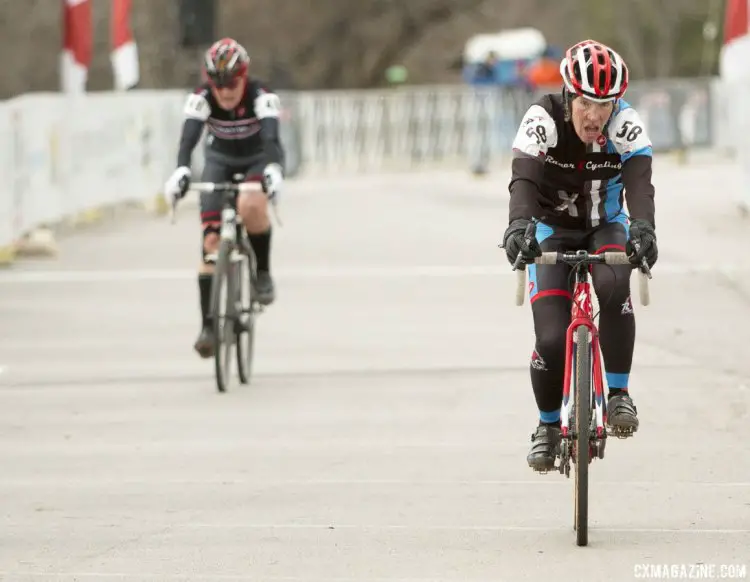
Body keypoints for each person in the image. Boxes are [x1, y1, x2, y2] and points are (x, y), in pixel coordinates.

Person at [501, 40, 658, 472]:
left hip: (606, 225)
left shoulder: (625, 124)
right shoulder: (542, 119)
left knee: (612, 284)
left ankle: (618, 394)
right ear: (570, 95)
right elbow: (524, 181)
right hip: (552, 229)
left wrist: (644, 229)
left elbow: (641, 184)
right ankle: (547, 426)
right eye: (586, 103)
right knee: (550, 340)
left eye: (604, 105)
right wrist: (519, 226)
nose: (594, 116)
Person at [163, 38, 285, 358]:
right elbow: (188, 139)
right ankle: (207, 327)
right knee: (210, 243)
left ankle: (262, 273)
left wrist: (273, 168)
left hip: (257, 159)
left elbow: (272, 137)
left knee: (250, 202)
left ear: (243, 77)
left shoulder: (262, 96)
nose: (225, 91)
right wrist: (181, 171)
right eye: (217, 83)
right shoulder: (201, 98)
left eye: (231, 83)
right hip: (220, 160)